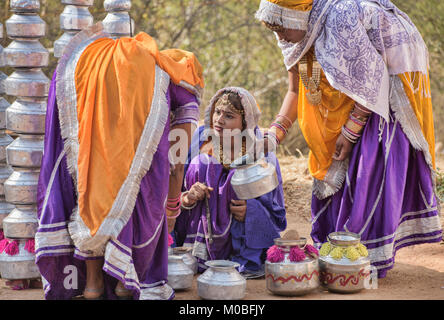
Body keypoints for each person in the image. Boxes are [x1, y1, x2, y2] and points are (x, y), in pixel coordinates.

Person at [255, 0, 442, 277]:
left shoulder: (339, 20)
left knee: (369, 160)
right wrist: (274, 133)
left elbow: (374, 79)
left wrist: (351, 129)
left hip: (390, 76)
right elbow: (296, 89)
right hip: (359, 85)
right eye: (274, 29)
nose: (279, 37)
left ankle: (363, 259)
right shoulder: (295, 33)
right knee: (334, 156)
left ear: (297, 19)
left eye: (282, 28)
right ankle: (335, 251)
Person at [35, 22, 204, 300]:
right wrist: (173, 208)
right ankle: (125, 282)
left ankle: (92, 284)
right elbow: (177, 161)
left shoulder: (90, 62)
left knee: (90, 191)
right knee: (134, 187)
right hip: (131, 168)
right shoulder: (177, 80)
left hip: (88, 153)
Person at [172, 87, 287, 278]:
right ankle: (201, 253)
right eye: (217, 112)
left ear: (245, 123)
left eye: (229, 115)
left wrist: (251, 211)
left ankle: (239, 259)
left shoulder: (262, 156)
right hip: (199, 235)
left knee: (237, 177)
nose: (219, 120)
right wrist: (188, 197)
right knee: (201, 164)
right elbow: (174, 195)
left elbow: (276, 214)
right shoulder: (199, 143)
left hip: (242, 242)